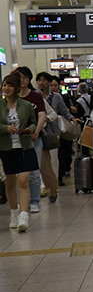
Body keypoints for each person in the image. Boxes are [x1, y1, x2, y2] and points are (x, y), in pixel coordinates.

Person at [0, 74, 38, 232]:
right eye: (4, 85)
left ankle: (24, 214)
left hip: (24, 148)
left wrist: (31, 129)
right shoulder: (0, 106)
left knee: (23, 181)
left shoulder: (26, 105)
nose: (6, 88)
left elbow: (33, 121)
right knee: (9, 183)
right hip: (5, 148)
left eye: (9, 85)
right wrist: (5, 128)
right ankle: (14, 212)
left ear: (16, 88)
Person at [14, 67, 47, 213]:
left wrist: (37, 131)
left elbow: (42, 115)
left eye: (25, 77)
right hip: (15, 140)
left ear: (29, 79)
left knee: (34, 171)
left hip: (34, 139)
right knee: (17, 172)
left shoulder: (35, 97)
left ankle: (34, 201)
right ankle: (21, 202)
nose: (22, 80)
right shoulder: (12, 97)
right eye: (19, 77)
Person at [36, 72, 70, 203]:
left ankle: (53, 186)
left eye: (44, 80)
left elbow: (62, 112)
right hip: (39, 133)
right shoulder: (35, 97)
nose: (41, 83)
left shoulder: (56, 97)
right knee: (41, 161)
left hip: (52, 132)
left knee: (53, 160)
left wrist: (71, 120)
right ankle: (44, 186)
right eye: (39, 80)